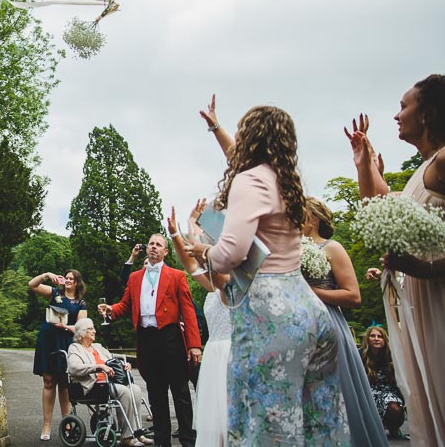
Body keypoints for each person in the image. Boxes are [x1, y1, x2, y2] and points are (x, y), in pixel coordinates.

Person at [186, 105, 349, 445]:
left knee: (268, 423)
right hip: (309, 311)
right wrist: (217, 128)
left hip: (270, 316)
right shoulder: (287, 181)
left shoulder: (250, 179)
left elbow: (231, 252)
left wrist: (204, 252)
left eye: (243, 130)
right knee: (317, 422)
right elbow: (239, 161)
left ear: (252, 137)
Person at [345, 74, 445, 445]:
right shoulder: (424, 168)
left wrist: (427, 268)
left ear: (429, 112)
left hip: (438, 292)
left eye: (405, 106)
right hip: (420, 299)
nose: (397, 115)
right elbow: (379, 206)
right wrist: (363, 163)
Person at [99, 234, 201, 447]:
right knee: (156, 394)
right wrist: (111, 311)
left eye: (159, 245)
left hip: (171, 337)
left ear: (165, 252)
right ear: (147, 249)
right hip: (147, 340)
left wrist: (194, 345)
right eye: (151, 244)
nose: (154, 247)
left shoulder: (177, 276)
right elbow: (125, 305)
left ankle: (188, 441)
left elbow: (188, 311)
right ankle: (162, 442)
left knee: (181, 392)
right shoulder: (135, 277)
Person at [303, 197, 389, 446]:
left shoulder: (332, 248)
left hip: (327, 325)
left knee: (336, 392)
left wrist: (309, 290)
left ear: (314, 218)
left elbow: (353, 296)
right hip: (298, 328)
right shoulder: (286, 249)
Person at [168, 201, 231, 447]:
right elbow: (190, 263)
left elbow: (198, 259)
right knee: (215, 427)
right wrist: (176, 233)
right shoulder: (213, 286)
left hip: (231, 355)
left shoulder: (230, 281)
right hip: (213, 356)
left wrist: (192, 225)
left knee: (230, 421)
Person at [67, 318, 154, 447]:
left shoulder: (98, 347)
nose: (94, 331)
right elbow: (74, 368)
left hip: (108, 383)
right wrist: (98, 367)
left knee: (135, 390)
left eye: (93, 328)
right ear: (81, 333)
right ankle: (127, 437)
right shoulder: (75, 348)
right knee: (124, 392)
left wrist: (124, 365)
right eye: (91, 329)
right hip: (93, 385)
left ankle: (138, 434)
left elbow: (113, 360)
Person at [30, 269, 88, 441]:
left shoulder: (81, 303)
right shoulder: (55, 292)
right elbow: (32, 285)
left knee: (64, 384)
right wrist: (46, 275)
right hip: (48, 341)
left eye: (72, 278)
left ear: (77, 282)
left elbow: (81, 327)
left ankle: (67, 424)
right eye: (66, 278)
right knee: (49, 382)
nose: (68, 280)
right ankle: (46, 425)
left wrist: (64, 326)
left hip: (67, 343)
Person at [360, 326, 406, 439]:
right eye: (372, 336)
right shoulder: (360, 355)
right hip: (368, 390)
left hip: (389, 391)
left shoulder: (392, 355)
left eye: (380, 336)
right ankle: (373, 429)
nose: (376, 339)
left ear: (384, 340)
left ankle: (393, 427)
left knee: (394, 407)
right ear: (367, 339)